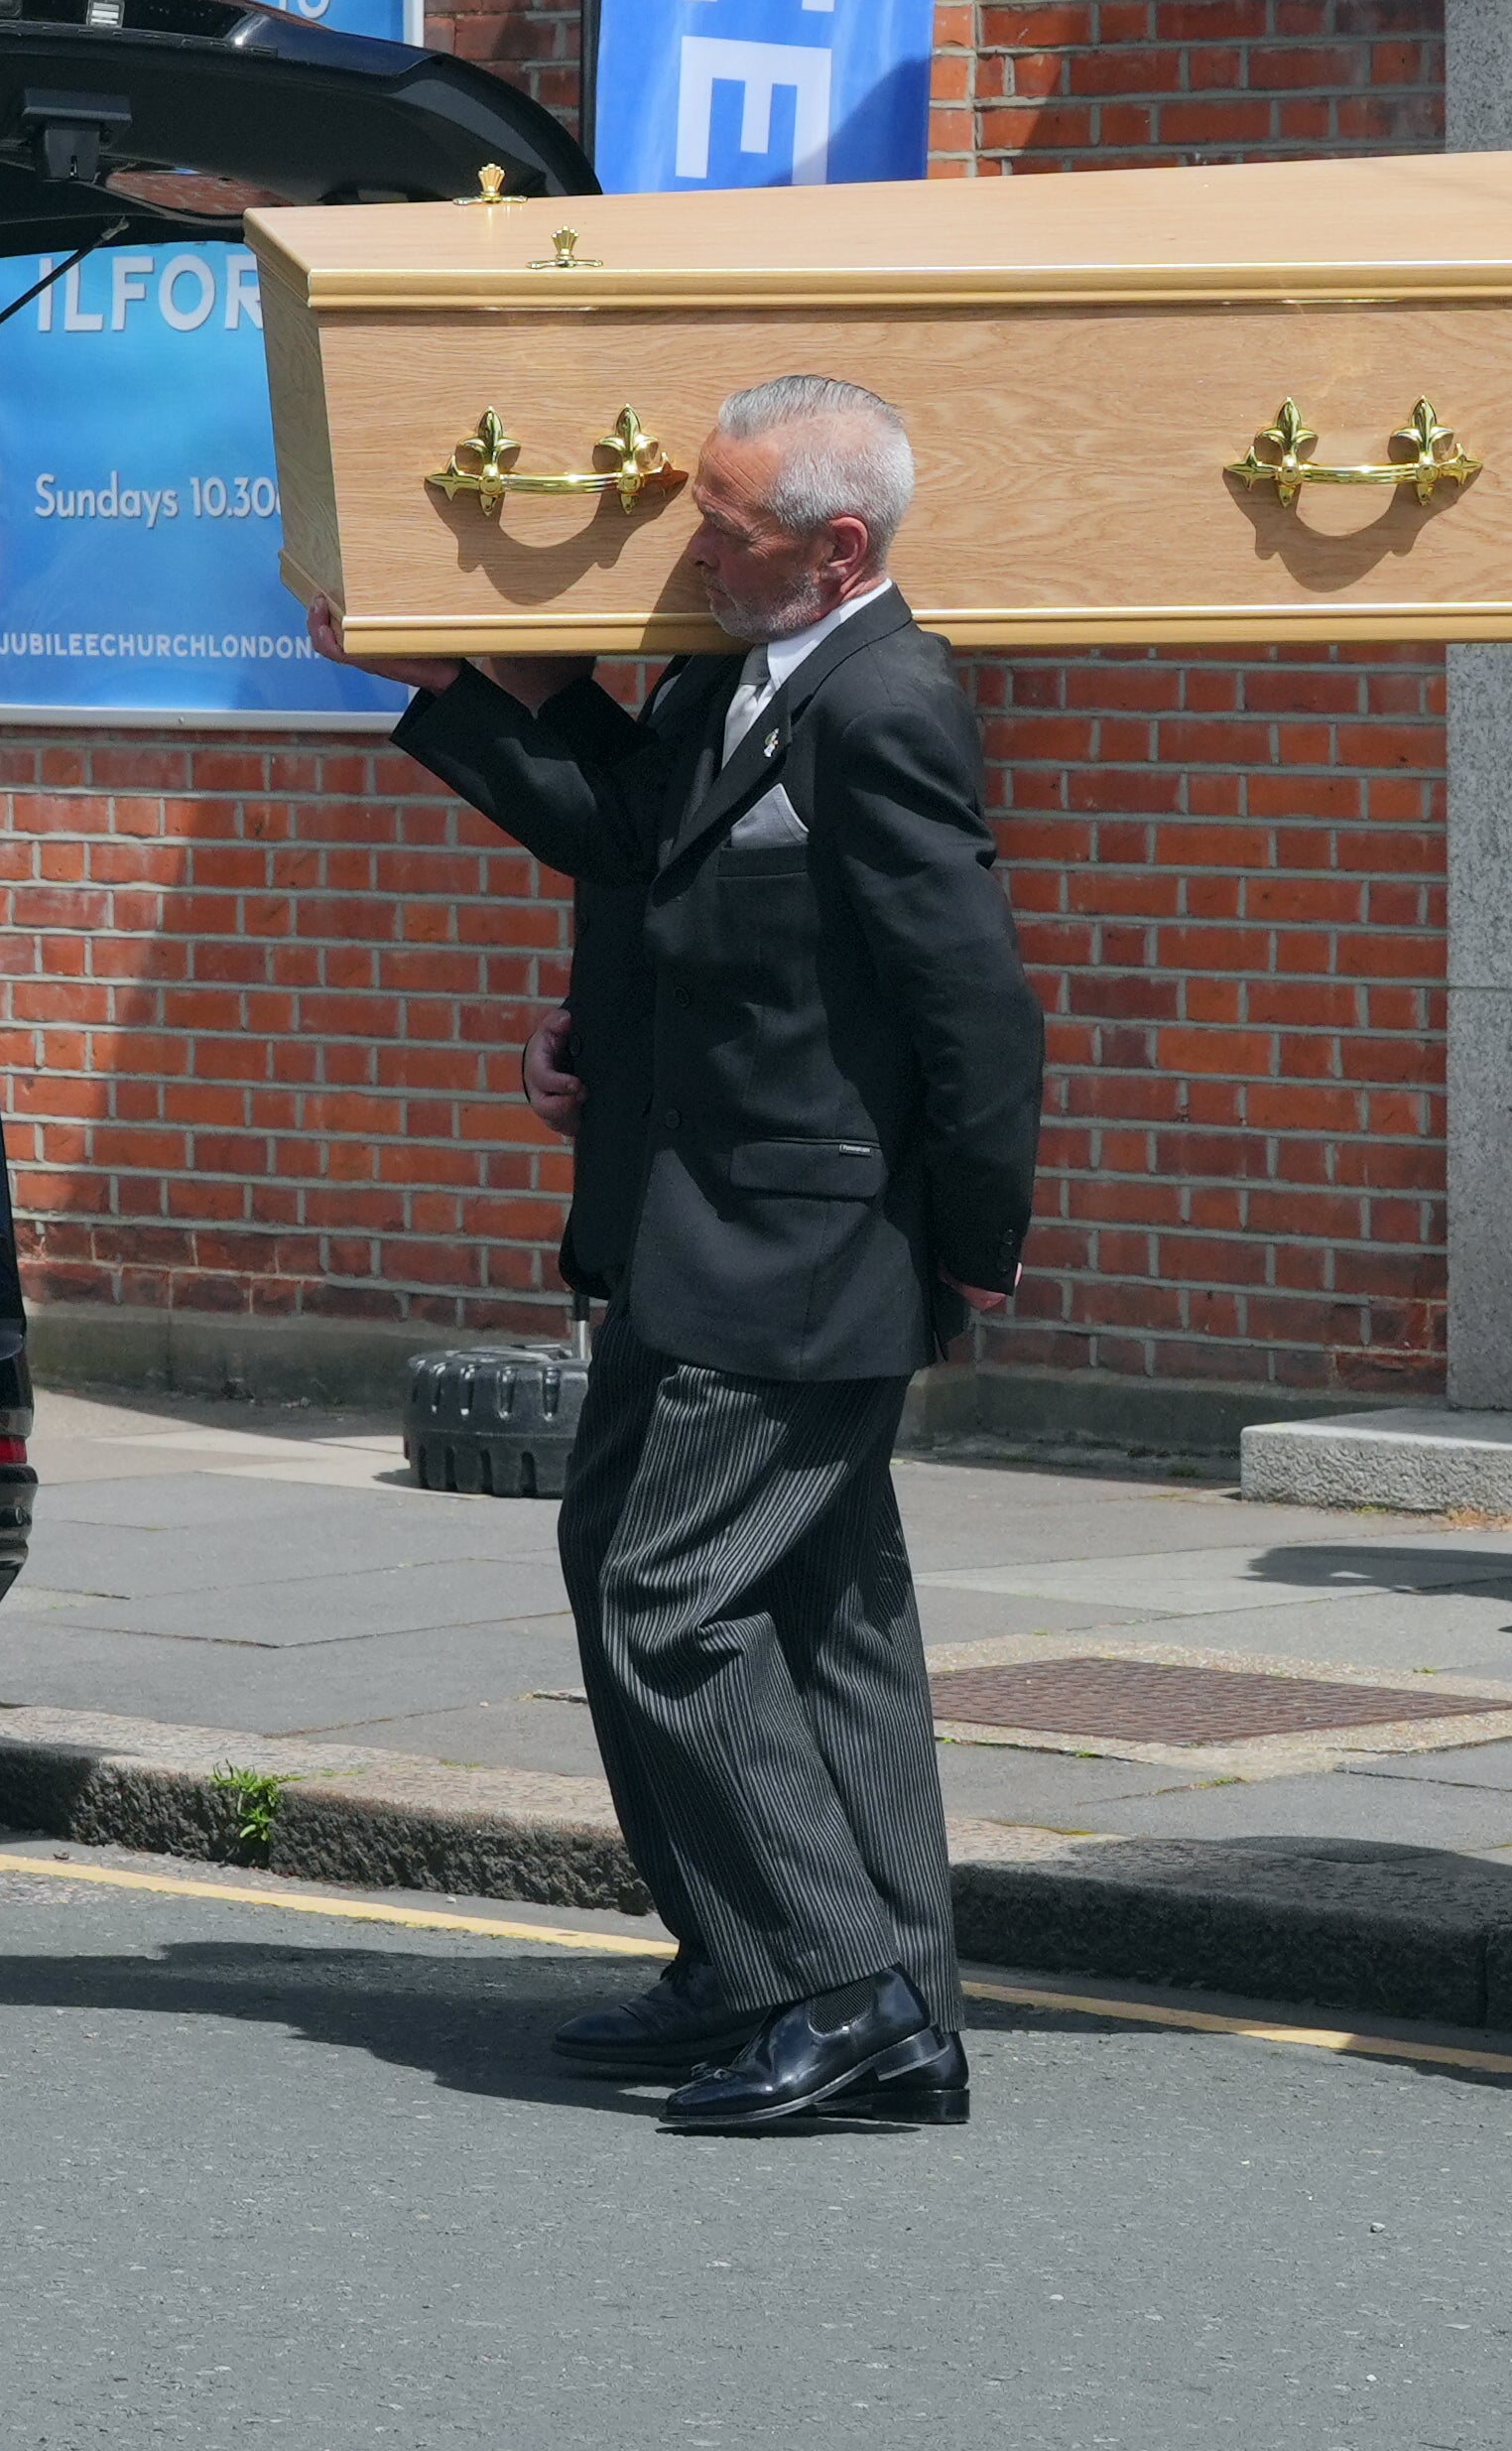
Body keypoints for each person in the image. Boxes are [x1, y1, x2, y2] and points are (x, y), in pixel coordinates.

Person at [320, 375, 1041, 2133]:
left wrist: (972, 1244)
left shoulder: (885, 701)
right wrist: (455, 694)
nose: (689, 545)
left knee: (671, 1598)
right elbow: (646, 848)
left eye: (724, 526)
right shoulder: (734, 676)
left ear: (836, 547)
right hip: (693, 1217)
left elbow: (976, 1004)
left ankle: (831, 1985)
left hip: (802, 1243)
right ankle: (806, 1973)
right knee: (811, 1612)